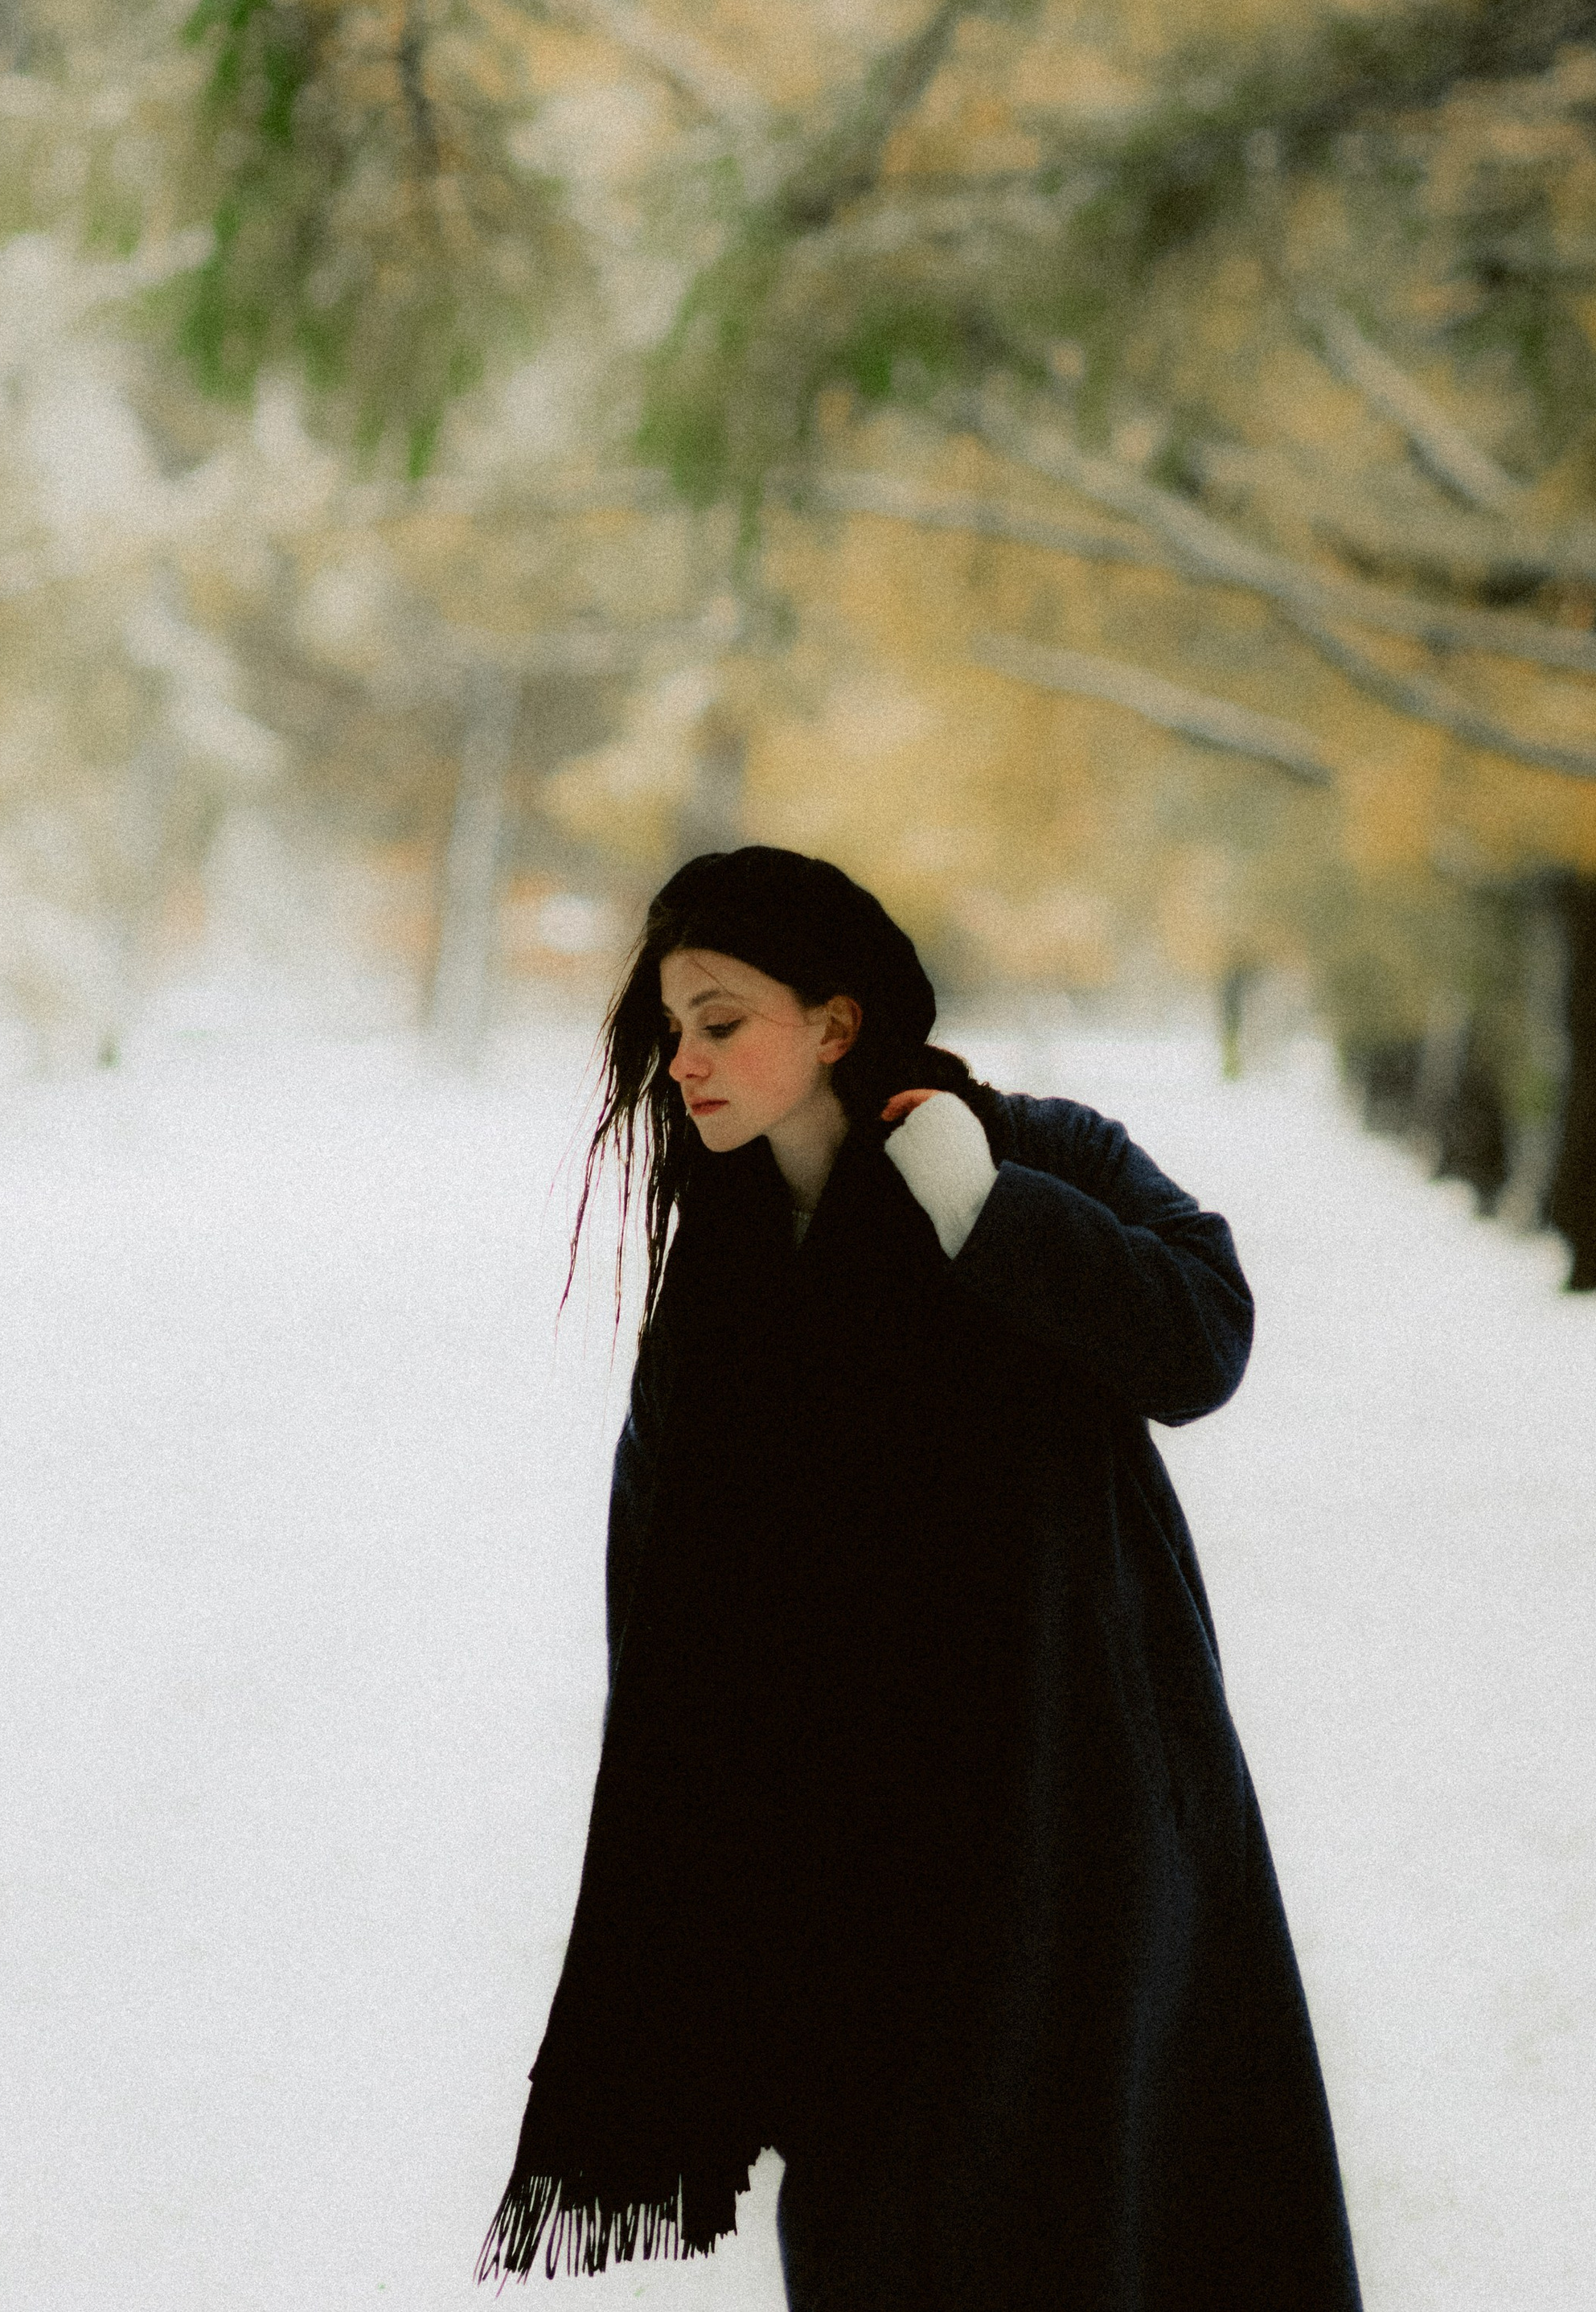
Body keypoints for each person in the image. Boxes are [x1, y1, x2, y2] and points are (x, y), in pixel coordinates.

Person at [479, 844, 1363, 2311]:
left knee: (1104, 2225)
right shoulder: (726, 1273)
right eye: (673, 1029)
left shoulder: (1038, 1153)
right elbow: (676, 1604)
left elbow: (1201, 1344)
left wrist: (989, 1208)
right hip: (851, 1858)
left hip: (1073, 1827)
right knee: (883, 2234)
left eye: (721, 1021)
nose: (684, 1062)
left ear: (833, 1023)